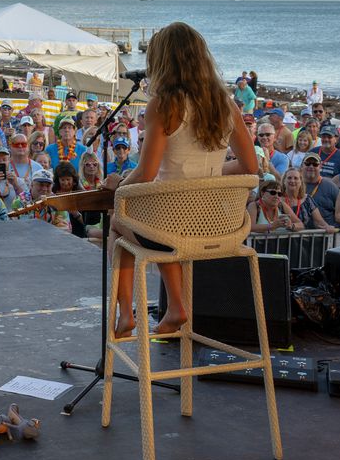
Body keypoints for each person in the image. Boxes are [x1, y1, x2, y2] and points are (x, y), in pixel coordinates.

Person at [101, 22, 256, 339]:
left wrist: (119, 188)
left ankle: (133, 313)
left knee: (118, 222)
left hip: (173, 224)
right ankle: (156, 309)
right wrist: (209, 177)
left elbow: (145, 173)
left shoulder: (163, 105)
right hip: (218, 225)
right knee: (163, 224)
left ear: (162, 62)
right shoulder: (226, 105)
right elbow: (250, 167)